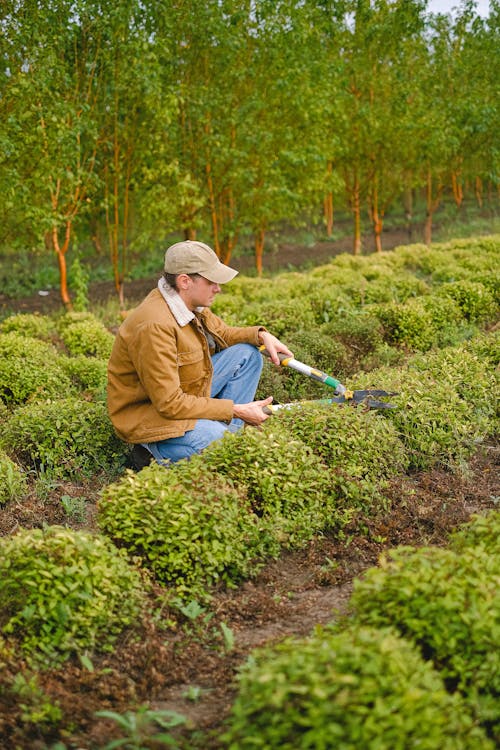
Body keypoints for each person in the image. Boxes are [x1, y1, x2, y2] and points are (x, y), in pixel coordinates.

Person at [107, 239, 293, 469]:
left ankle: (223, 437)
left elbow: (223, 333)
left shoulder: (190, 303)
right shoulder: (154, 325)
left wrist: (261, 336)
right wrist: (235, 410)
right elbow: (169, 404)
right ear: (185, 281)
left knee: (248, 354)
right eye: (211, 281)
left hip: (185, 392)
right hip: (151, 415)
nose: (218, 288)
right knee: (225, 444)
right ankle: (150, 452)